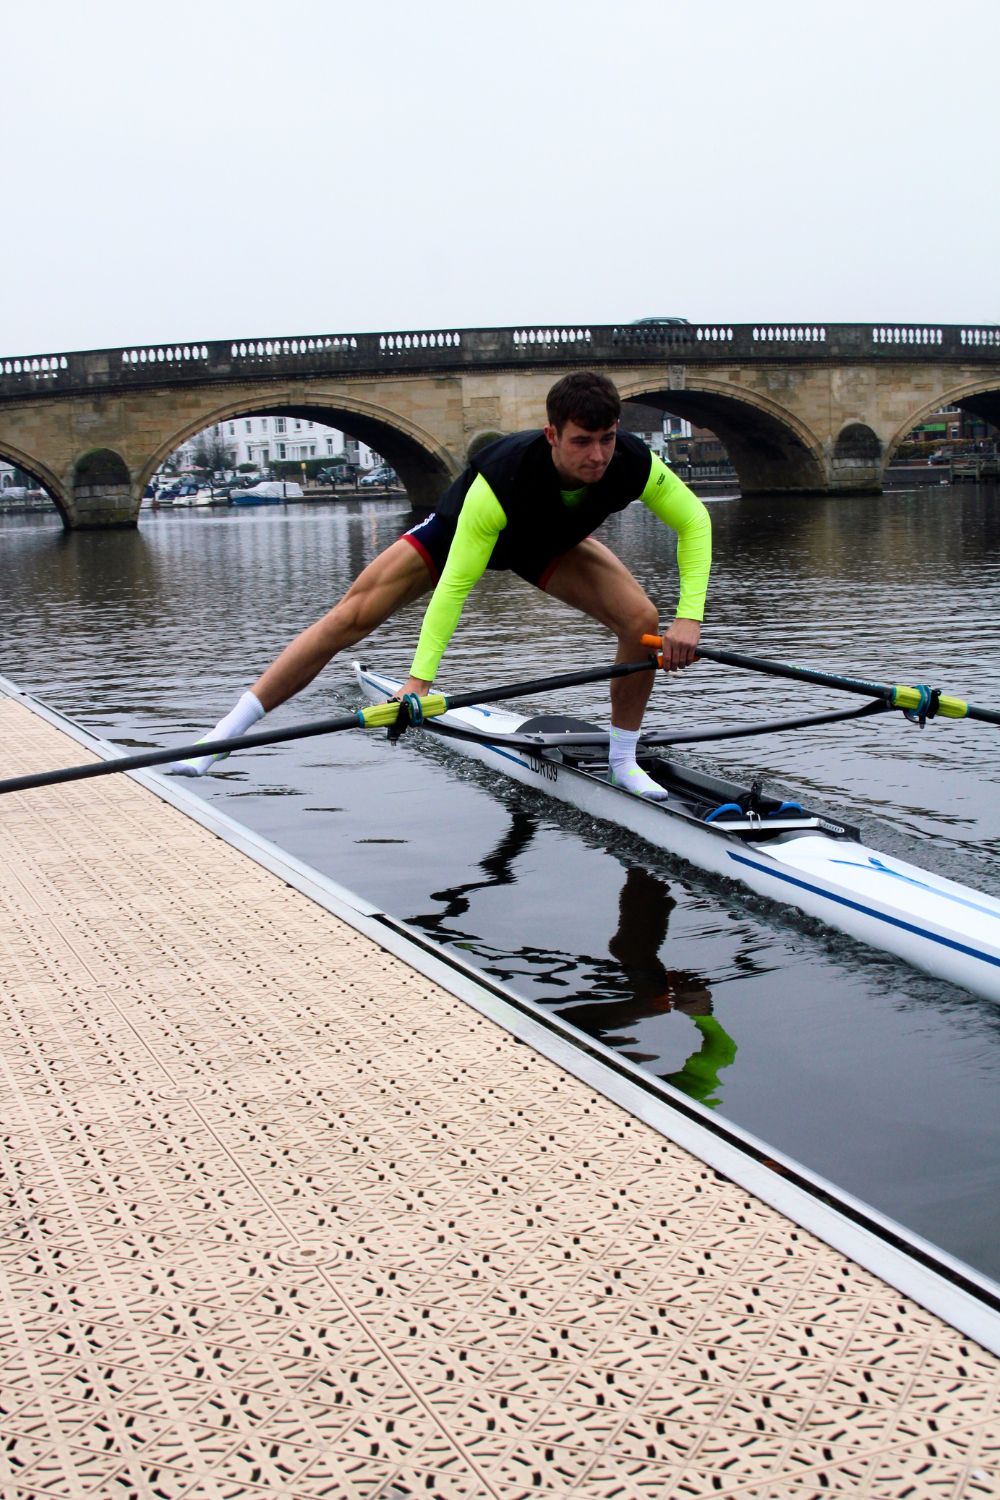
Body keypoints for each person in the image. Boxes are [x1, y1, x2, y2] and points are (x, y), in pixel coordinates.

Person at [169, 372, 712, 798]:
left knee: (640, 621)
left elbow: (695, 523)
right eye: (582, 442)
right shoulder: (501, 480)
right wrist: (418, 683)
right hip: (458, 536)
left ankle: (623, 762)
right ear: (552, 435)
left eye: (607, 439)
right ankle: (219, 739)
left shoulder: (633, 463)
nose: (597, 456)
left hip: (546, 543)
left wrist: (689, 616)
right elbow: (455, 586)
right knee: (348, 620)